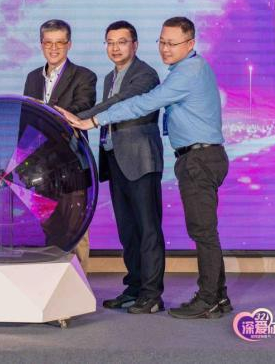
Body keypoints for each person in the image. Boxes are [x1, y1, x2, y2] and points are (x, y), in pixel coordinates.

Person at [60, 17, 232, 319]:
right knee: (173, 230)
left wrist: (92, 120)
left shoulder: (187, 71)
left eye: (172, 43)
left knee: (200, 232)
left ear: (190, 44)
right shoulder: (180, 70)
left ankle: (207, 298)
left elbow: (143, 103)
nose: (165, 48)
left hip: (198, 159)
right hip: (191, 158)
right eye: (162, 42)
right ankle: (212, 296)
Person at [64, 20, 165, 314]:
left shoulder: (145, 74)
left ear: (135, 45)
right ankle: (134, 288)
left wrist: (79, 118)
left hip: (141, 161)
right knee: (127, 231)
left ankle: (152, 295)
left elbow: (121, 103)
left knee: (148, 229)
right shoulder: (109, 77)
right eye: (110, 42)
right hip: (116, 160)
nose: (115, 48)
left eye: (122, 42)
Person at [23, 19, 96, 272]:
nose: (53, 48)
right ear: (41, 44)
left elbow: (81, 108)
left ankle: (79, 286)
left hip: (72, 163)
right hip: (41, 167)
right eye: (48, 43)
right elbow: (26, 122)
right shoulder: (32, 77)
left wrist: (44, 110)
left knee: (77, 229)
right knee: (48, 228)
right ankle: (53, 285)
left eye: (60, 43)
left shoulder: (85, 76)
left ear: (69, 44)